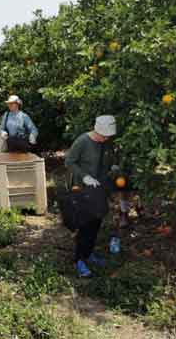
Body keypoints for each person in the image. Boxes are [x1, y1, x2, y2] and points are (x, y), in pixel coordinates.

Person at [64, 115, 116, 277]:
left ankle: (89, 253)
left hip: (98, 188)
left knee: (96, 222)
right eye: (104, 135)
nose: (106, 138)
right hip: (82, 188)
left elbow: (106, 161)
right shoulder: (83, 141)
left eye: (108, 136)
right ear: (97, 130)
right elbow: (69, 162)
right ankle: (79, 259)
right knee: (85, 225)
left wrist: (112, 166)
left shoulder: (105, 142)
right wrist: (84, 176)